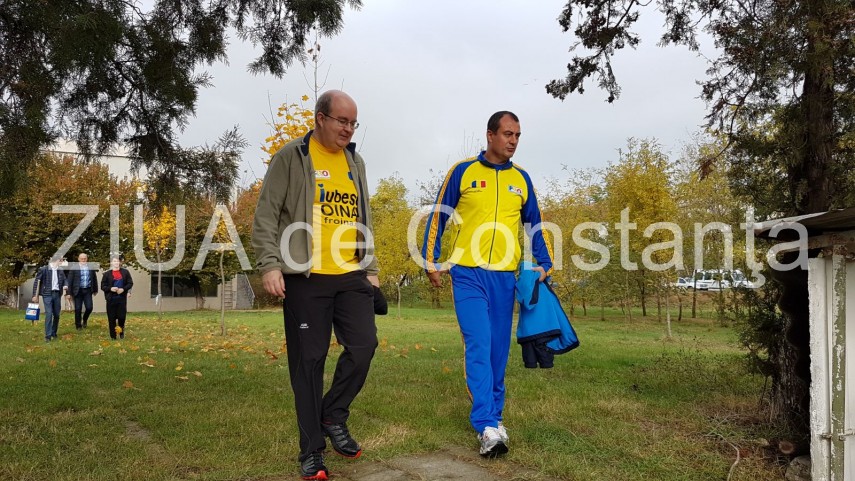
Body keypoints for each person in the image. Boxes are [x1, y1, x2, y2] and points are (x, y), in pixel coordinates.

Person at [252, 90, 380, 481]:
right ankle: (311, 451)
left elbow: (364, 215)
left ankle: (333, 414)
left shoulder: (354, 161)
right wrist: (270, 264)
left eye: (353, 122)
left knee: (363, 347)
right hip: (306, 277)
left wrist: (370, 264)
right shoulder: (291, 157)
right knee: (309, 364)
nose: (348, 128)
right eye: (342, 121)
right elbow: (267, 215)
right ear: (320, 118)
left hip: (351, 274)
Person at [421, 111, 554, 458]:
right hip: (467, 273)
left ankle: (495, 417)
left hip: (504, 277)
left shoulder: (521, 180)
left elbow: (536, 224)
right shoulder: (463, 171)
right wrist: (430, 259)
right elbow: (439, 214)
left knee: (498, 350)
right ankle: (485, 425)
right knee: (479, 343)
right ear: (490, 135)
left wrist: (546, 264)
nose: (513, 140)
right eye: (508, 133)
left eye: (518, 135)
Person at [31, 256, 68, 342]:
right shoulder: (44, 269)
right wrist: (34, 295)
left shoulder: (60, 270)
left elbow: (65, 279)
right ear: (57, 260)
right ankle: (48, 336)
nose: (62, 262)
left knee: (57, 314)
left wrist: (65, 285)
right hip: (47, 294)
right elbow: (37, 282)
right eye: (61, 260)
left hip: (57, 294)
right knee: (49, 313)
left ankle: (53, 332)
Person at [101, 255, 133, 340]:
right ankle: (113, 336)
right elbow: (103, 286)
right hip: (111, 299)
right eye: (114, 261)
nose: (116, 263)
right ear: (111, 263)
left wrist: (123, 289)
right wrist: (110, 288)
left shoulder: (125, 272)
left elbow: (130, 283)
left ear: (120, 262)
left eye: (117, 261)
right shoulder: (107, 274)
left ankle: (121, 333)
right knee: (111, 319)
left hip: (121, 299)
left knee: (121, 317)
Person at [65, 252, 99, 329]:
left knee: (89, 307)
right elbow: (69, 281)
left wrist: (95, 289)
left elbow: (94, 279)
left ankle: (84, 319)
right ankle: (78, 325)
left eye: (85, 258)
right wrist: (68, 293)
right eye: (81, 258)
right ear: (78, 259)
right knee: (78, 309)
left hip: (87, 290)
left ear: (87, 259)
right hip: (77, 291)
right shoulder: (74, 268)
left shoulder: (90, 267)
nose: (83, 260)